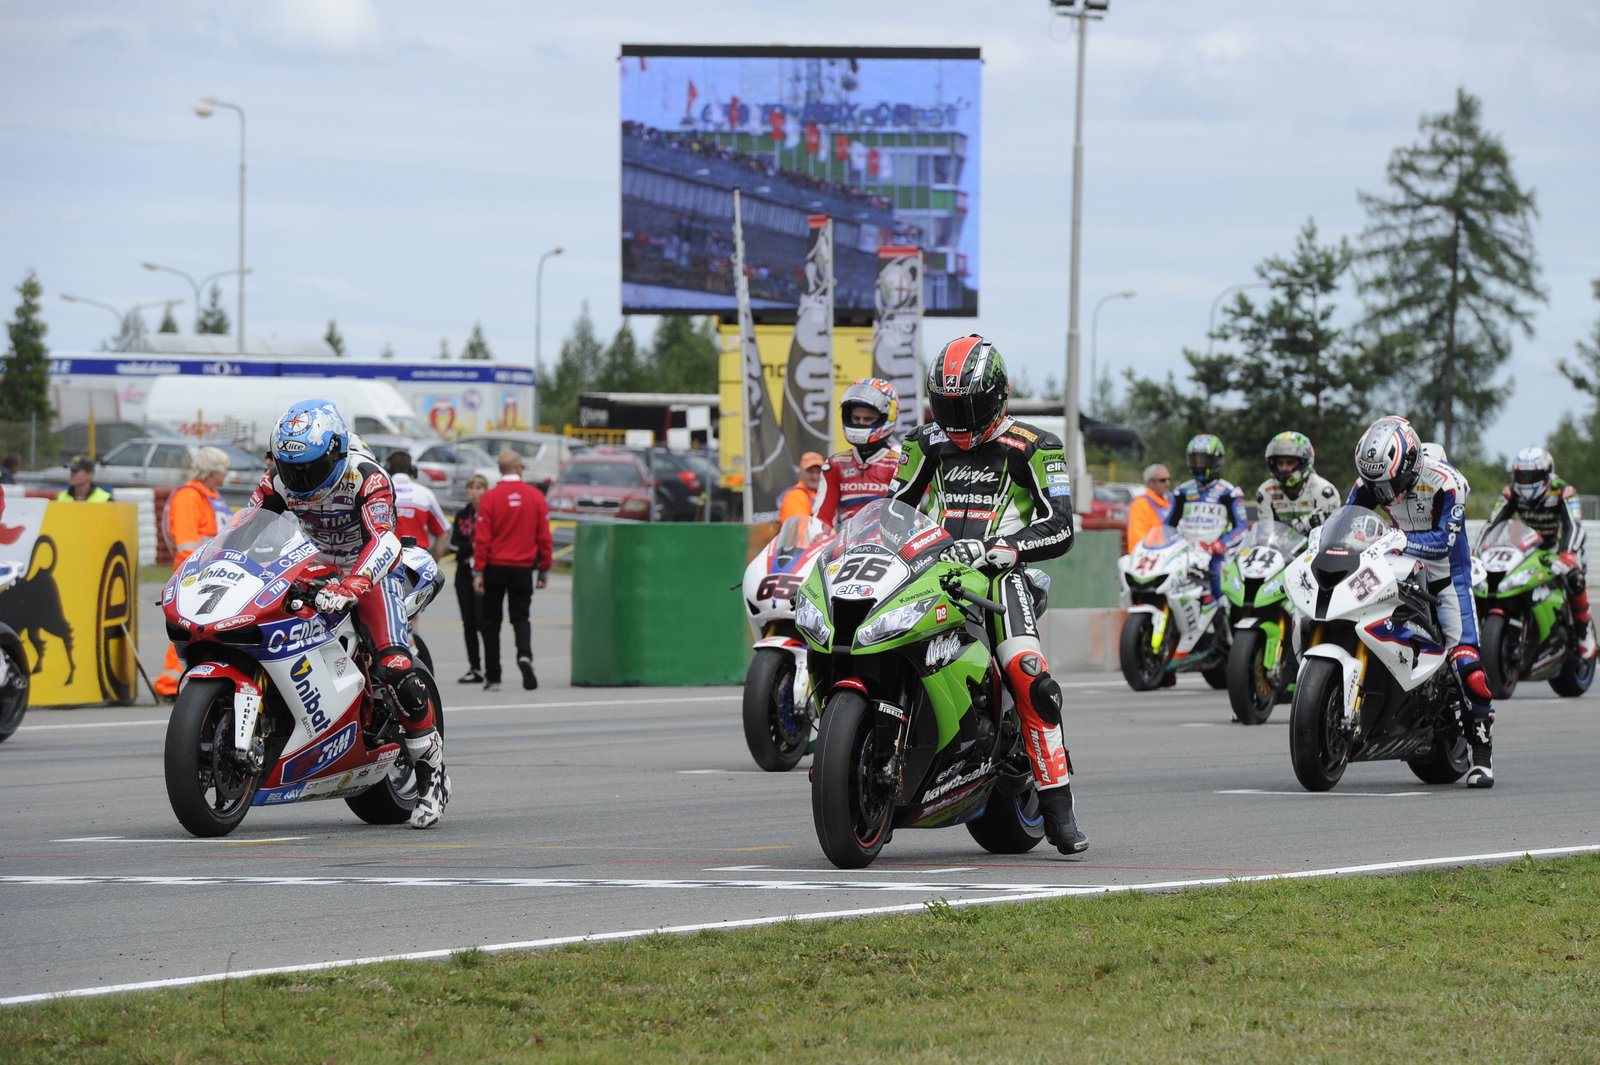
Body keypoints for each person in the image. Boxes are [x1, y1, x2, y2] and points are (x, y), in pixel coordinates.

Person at [891, 334, 1086, 855]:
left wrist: (1009, 549)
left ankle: (1058, 807)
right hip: (929, 569)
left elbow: (1062, 527)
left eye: (969, 405)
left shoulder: (1036, 445)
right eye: (948, 404)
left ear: (998, 396)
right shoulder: (922, 443)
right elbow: (894, 511)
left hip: (1002, 575)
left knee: (1029, 675)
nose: (958, 416)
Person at [246, 400, 450, 828]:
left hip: (370, 571)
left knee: (393, 664)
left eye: (310, 468)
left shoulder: (366, 476)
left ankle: (432, 775)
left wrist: (353, 585)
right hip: (310, 567)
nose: (299, 480)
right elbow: (248, 527)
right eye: (290, 468)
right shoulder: (278, 479)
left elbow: (386, 541)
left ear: (336, 452)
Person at [1349, 414, 1495, 788]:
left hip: (1447, 576)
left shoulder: (1449, 483)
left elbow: (1445, 543)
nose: (1383, 494)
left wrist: (1400, 540)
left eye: (1389, 483)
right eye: (1374, 485)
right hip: (1395, 567)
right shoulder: (1372, 480)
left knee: (1469, 670)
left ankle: (1481, 755)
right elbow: (1350, 520)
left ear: (1411, 465)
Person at [1483, 446, 1595, 658]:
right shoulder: (1511, 492)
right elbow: (1493, 523)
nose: (1525, 482)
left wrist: (1569, 553)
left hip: (1563, 548)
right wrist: (1479, 550)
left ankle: (1583, 630)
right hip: (1529, 547)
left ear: (1547, 474)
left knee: (1574, 578)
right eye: (1521, 476)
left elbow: (1574, 525)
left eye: (1531, 476)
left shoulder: (1564, 491)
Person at [153, 446, 233, 699]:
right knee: (187, 629)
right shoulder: (188, 496)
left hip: (218, 572)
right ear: (213, 470)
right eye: (225, 469)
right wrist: (195, 573)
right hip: (195, 574)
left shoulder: (211, 496)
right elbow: (186, 543)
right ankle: (168, 684)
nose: (227, 475)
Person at [472, 449, 553, 693]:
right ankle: (525, 656)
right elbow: (544, 537)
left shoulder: (489, 498)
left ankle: (493, 676)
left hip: (495, 567)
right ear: (519, 469)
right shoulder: (536, 496)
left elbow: (482, 538)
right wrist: (545, 569)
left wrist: (478, 572)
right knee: (520, 617)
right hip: (522, 568)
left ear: (500, 470)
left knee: (491, 622)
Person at [1165, 434, 1249, 603]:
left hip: (1216, 553)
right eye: (1194, 460)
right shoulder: (1182, 491)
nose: (1198, 465)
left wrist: (1221, 544)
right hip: (1186, 552)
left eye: (1203, 460)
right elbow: (1168, 525)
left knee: (1220, 584)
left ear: (1215, 461)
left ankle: (1225, 621)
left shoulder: (1229, 492)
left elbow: (1241, 528)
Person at [813, 378, 901, 528]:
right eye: (855, 418)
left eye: (867, 419)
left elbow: (909, 514)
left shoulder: (900, 461)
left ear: (886, 417)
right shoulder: (835, 464)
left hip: (889, 544)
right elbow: (822, 519)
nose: (860, 423)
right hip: (848, 546)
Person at [1254, 431, 1340, 536]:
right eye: (1280, 463)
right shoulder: (1265, 491)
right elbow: (1267, 534)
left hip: (1316, 550)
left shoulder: (1324, 491)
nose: (1284, 468)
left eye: (1290, 462)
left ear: (1304, 462)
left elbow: (1331, 534)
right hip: (1281, 550)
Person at [449, 473, 489, 684]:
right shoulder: (463, 514)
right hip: (464, 571)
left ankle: (492, 665)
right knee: (469, 622)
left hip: (485, 573)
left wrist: (479, 548)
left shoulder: (491, 513)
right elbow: (453, 543)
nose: (474, 492)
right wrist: (471, 546)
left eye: (479, 488)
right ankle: (475, 667)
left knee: (484, 620)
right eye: (471, 488)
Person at [385, 450, 449, 560]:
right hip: (418, 561)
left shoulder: (380, 492)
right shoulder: (425, 494)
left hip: (386, 559)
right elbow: (443, 531)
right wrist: (433, 563)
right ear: (412, 470)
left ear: (387, 469)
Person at [1124, 463, 1173, 553]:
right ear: (1151, 483)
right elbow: (1137, 539)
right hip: (1151, 557)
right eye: (1162, 480)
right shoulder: (1140, 504)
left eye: (1169, 479)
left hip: (1169, 555)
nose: (1167, 483)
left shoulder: (1170, 501)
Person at [777, 452, 824, 522]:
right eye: (810, 471)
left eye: (818, 472)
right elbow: (799, 530)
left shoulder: (820, 493)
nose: (815, 477)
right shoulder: (796, 496)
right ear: (801, 472)